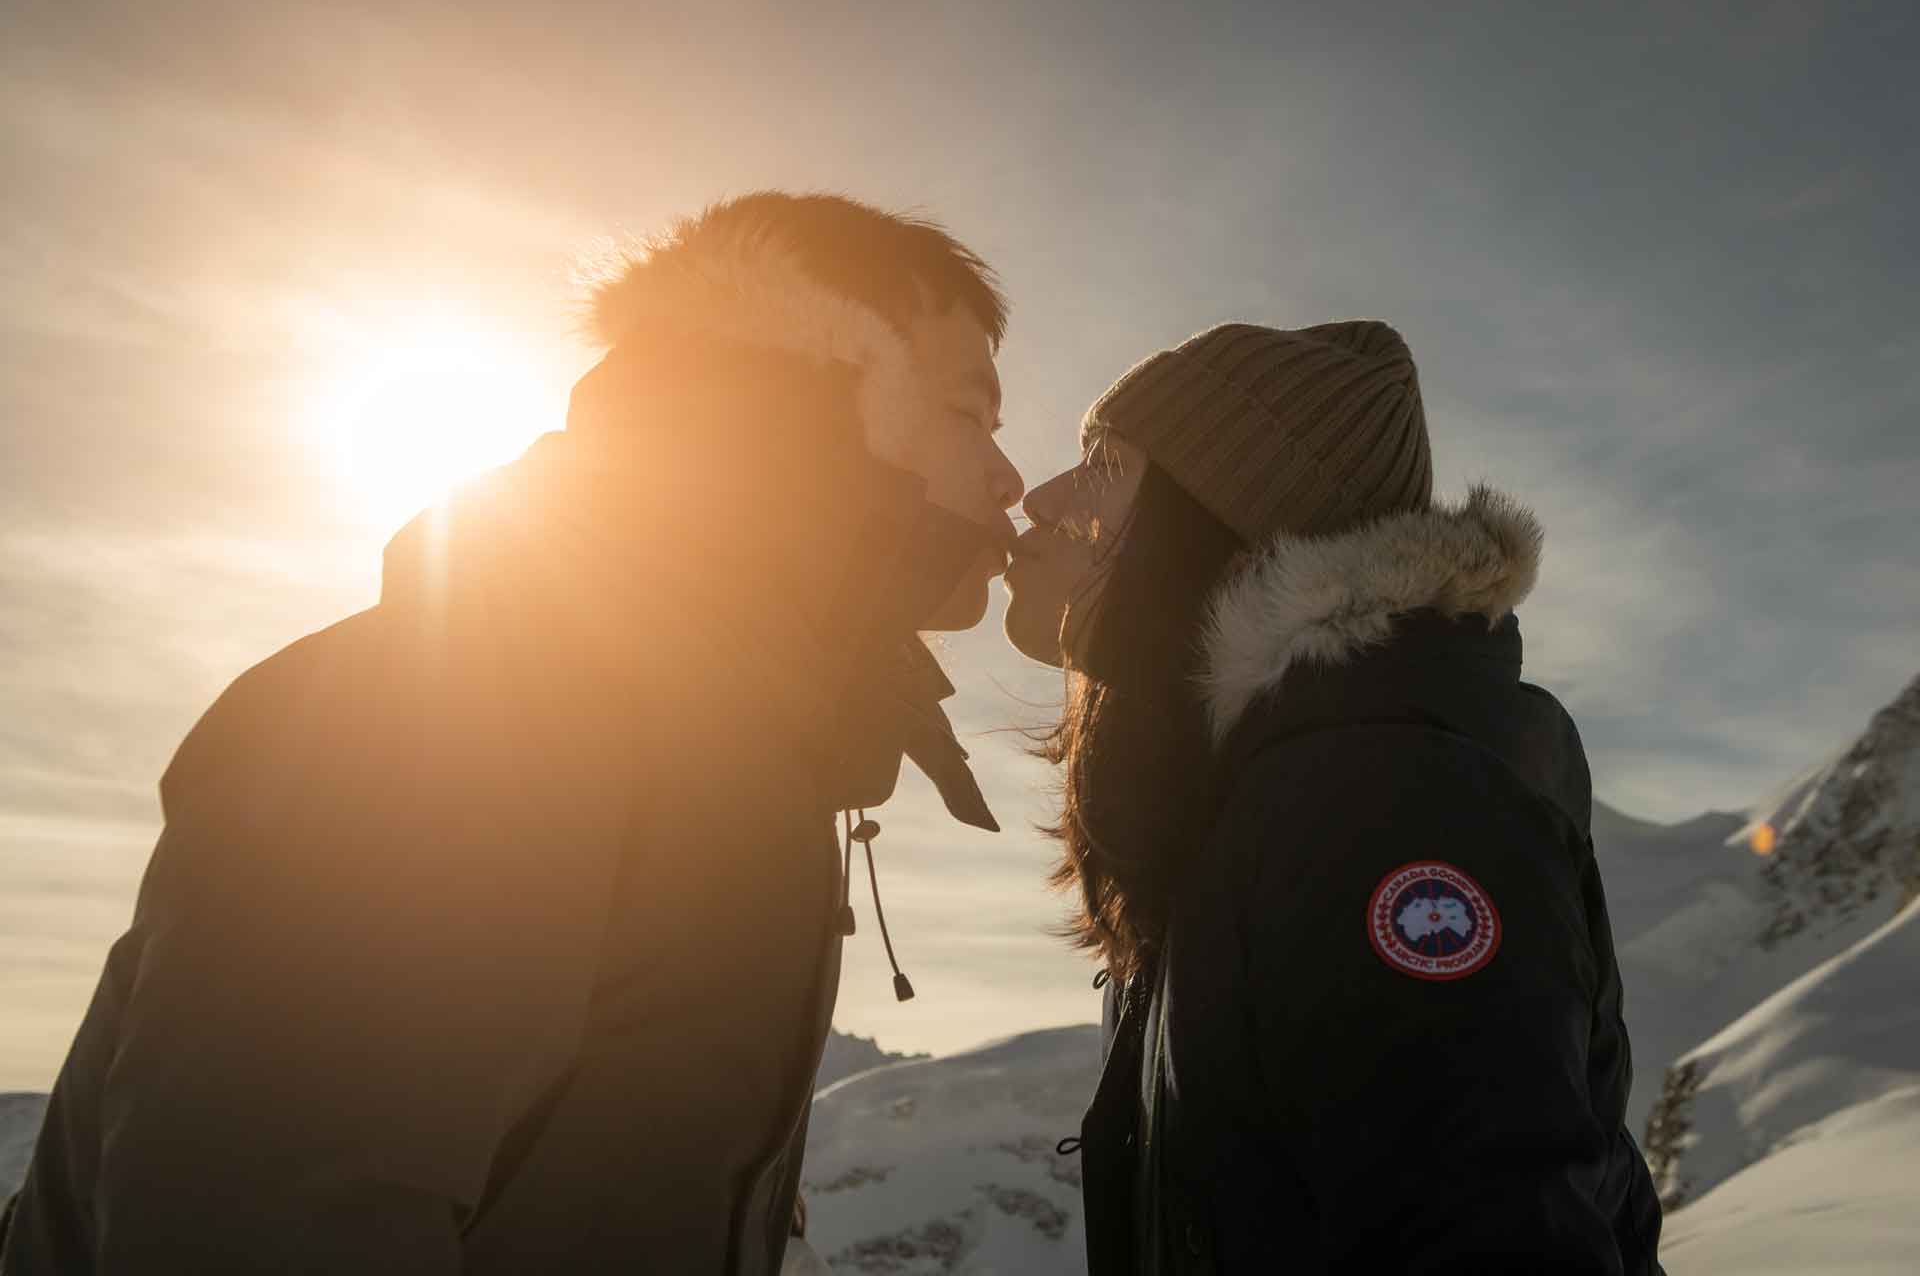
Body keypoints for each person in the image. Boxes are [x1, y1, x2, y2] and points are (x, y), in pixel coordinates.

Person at [0, 193, 1024, 1275]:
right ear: (820, 395)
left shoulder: (731, 735)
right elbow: (270, 1218)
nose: (1007, 479)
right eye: (972, 416)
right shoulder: (473, 695)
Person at [1003, 321, 1664, 1273]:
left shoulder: (1388, 802)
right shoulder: (1275, 785)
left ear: (1208, 521)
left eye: (1104, 465)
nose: (1042, 497)